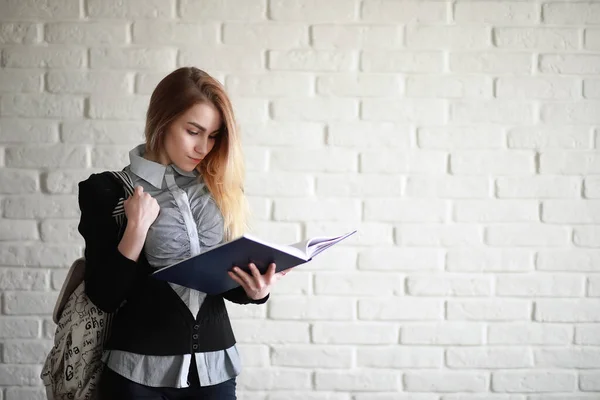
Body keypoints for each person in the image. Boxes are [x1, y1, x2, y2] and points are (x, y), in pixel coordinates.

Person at [77, 66, 289, 400]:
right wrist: (135, 228)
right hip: (136, 376)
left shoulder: (220, 188)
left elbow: (222, 283)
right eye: (193, 131)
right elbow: (104, 295)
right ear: (162, 120)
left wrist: (255, 290)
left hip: (215, 372)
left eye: (213, 135)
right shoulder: (109, 190)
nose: (204, 147)